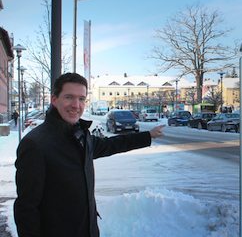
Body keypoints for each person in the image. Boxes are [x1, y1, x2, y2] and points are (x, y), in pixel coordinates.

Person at [14, 73, 165, 237]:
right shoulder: (36, 144)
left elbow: (110, 145)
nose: (76, 105)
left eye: (81, 99)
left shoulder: (79, 134)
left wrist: (147, 136)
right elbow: (26, 208)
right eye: (69, 97)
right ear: (54, 100)